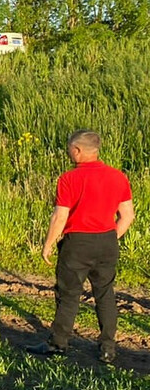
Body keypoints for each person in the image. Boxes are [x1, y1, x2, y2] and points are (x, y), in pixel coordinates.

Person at [38, 130, 135, 363]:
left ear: (78, 150)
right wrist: (112, 236)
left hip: (78, 243)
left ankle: (59, 344)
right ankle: (107, 348)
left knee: (69, 293)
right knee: (105, 293)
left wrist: (48, 244)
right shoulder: (118, 176)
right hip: (107, 241)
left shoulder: (69, 178)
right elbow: (127, 215)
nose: (69, 152)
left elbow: (60, 217)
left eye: (70, 148)